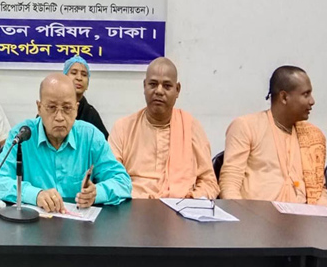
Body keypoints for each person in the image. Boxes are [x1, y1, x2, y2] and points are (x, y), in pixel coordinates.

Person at [0, 74, 131, 212]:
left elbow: (122, 182)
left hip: (79, 224)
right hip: (34, 223)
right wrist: (35, 195)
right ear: (39, 108)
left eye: (67, 108)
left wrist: (96, 193)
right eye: (52, 107)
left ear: (76, 109)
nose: (59, 117)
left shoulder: (90, 137)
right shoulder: (23, 135)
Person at [109, 57, 219, 199]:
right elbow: (111, 177)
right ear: (144, 86)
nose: (159, 91)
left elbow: (209, 182)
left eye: (167, 86)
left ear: (177, 90)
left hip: (181, 207)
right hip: (134, 205)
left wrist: (191, 200)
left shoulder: (191, 127)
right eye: (153, 84)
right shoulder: (123, 128)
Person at [220, 66, 327, 204]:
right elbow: (230, 182)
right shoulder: (246, 126)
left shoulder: (313, 136)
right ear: (284, 97)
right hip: (255, 215)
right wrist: (240, 214)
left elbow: (319, 191)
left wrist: (318, 211)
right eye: (306, 94)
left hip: (304, 216)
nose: (312, 101)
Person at [63, 55, 108, 138]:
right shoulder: (51, 107)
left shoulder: (91, 114)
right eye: (74, 73)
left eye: (84, 74)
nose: (79, 78)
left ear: (87, 84)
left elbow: (104, 142)